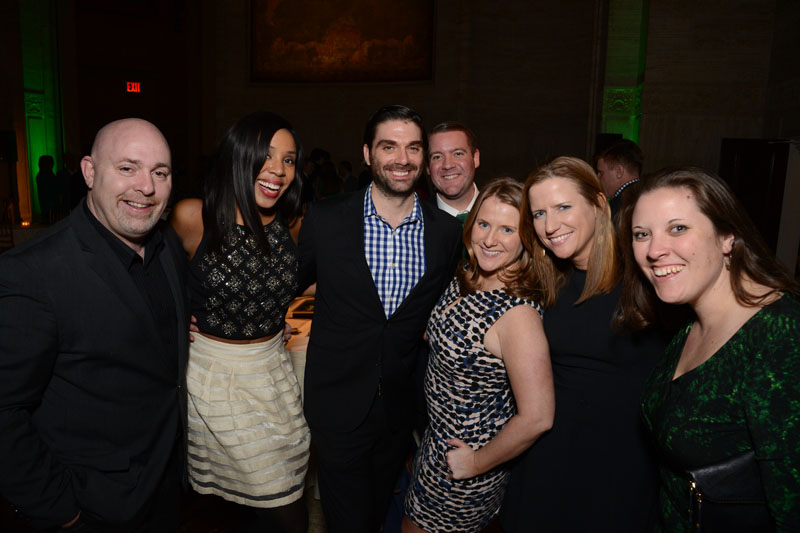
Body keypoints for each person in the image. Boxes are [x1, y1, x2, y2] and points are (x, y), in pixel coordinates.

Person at [0, 118, 189, 530]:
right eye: (127, 168)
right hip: (95, 504)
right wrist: (62, 512)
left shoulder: (167, 245)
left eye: (160, 173)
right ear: (89, 172)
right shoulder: (32, 273)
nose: (146, 186)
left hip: (166, 484)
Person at [297, 104, 462, 533]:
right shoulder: (326, 219)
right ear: (368, 154)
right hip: (336, 404)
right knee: (348, 521)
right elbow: (289, 284)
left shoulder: (445, 233)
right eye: (389, 147)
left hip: (400, 409)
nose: (402, 159)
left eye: (413, 148)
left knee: (374, 513)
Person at [617, 167, 800, 531]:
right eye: (642, 234)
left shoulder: (781, 338)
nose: (654, 250)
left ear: (727, 237)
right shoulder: (688, 320)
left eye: (678, 228)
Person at [501, 156, 663, 532]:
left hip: (619, 471)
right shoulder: (546, 281)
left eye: (563, 207)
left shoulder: (644, 279)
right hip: (548, 465)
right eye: (539, 214)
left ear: (598, 204)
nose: (550, 225)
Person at [170, 112, 309, 533]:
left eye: (288, 160)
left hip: (273, 374)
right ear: (238, 156)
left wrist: (273, 318)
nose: (278, 170)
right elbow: (150, 278)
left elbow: (295, 282)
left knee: (281, 494)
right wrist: (173, 321)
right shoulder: (194, 216)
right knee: (276, 511)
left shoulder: (292, 223)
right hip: (216, 380)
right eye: (266, 156)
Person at [403, 178, 554, 533]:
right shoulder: (469, 276)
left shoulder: (517, 315)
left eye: (507, 229)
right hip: (435, 444)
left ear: (526, 238)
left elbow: (538, 417)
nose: (489, 239)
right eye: (484, 224)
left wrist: (475, 463)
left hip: (465, 465)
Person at [427, 121, 480, 224]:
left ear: (475, 158)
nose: (448, 165)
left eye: (458, 154)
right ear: (427, 167)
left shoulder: (506, 212)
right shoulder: (415, 224)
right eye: (437, 157)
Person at [595, 139, 642, 216]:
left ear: (619, 172)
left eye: (601, 173)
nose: (598, 177)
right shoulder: (649, 196)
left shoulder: (615, 209)